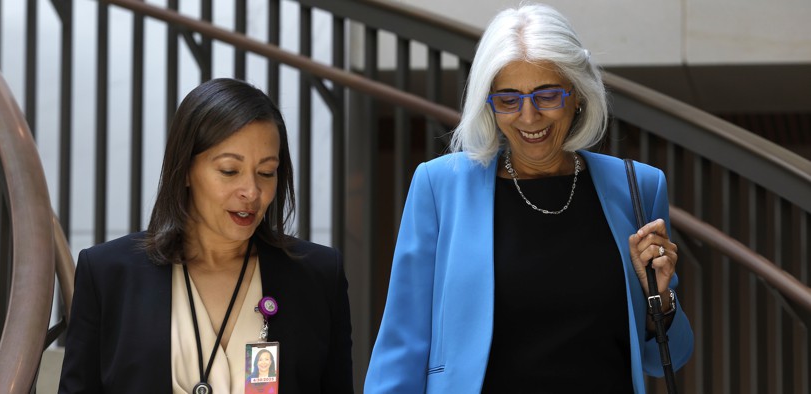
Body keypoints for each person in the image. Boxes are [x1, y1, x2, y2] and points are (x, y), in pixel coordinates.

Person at [364, 3, 693, 393]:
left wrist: (662, 300)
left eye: (547, 95)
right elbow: (402, 343)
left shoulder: (638, 188)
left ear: (578, 96)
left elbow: (664, 357)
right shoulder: (440, 186)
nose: (529, 116)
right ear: (489, 105)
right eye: (508, 99)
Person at [58, 78, 354, 393]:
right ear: (185, 169)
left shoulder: (319, 275)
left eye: (266, 172)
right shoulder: (107, 274)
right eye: (229, 171)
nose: (251, 192)